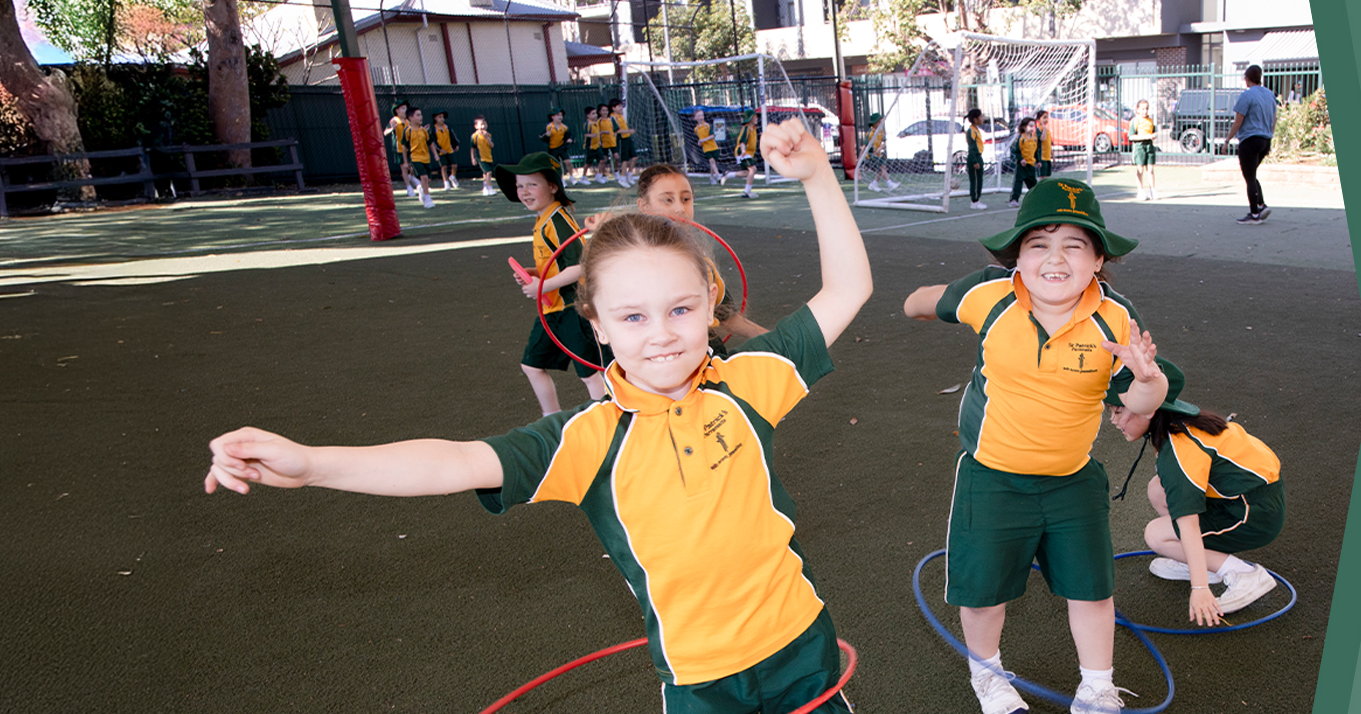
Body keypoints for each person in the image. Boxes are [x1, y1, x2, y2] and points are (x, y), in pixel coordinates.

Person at [204, 119, 872, 714]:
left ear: (709, 303)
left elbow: (848, 288)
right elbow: (455, 461)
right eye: (633, 315)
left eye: (680, 308)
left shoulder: (749, 385)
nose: (662, 332)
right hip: (701, 682)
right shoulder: (586, 440)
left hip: (803, 647)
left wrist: (817, 174)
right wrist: (316, 463)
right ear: (599, 327)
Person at [903, 177, 1165, 714]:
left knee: (1092, 590)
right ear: (1017, 256)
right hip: (992, 477)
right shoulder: (988, 295)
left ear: (1098, 260)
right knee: (982, 594)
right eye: (1039, 244)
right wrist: (929, 303)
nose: (1055, 258)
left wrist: (1146, 381)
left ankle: (1096, 687)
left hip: (1073, 478)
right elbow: (917, 304)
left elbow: (1145, 398)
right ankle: (989, 677)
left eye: (1074, 245)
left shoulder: (1116, 317)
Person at [1105, 357, 1284, 623]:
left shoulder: (1177, 448)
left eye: (1118, 411)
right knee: (1158, 489)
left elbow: (1186, 521)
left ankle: (1243, 573)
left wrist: (1199, 588)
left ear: (1148, 409)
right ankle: (1205, 562)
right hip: (1253, 498)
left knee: (1157, 535)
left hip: (1254, 514)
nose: (1112, 420)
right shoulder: (1179, 420)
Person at [494, 152, 605, 414]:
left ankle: (609, 418)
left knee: (589, 372)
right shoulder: (543, 219)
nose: (524, 191)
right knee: (531, 365)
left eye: (532, 184)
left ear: (553, 186)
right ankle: (551, 419)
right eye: (520, 185)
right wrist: (536, 273)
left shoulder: (557, 220)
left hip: (571, 309)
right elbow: (556, 263)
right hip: (552, 310)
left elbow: (580, 266)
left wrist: (542, 286)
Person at [630, 163, 770, 349]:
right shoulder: (629, 261)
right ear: (644, 206)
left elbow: (725, 316)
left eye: (686, 199)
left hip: (708, 356)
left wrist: (769, 336)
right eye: (667, 200)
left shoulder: (700, 259)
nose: (680, 209)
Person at [1228, 65, 1277, 225]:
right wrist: (1270, 136)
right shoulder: (1269, 95)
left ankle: (1254, 213)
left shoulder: (1246, 96)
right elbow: (1274, 119)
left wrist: (1228, 139)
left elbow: (1238, 122)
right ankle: (1261, 205)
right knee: (1252, 173)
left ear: (1247, 78)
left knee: (1249, 177)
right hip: (1265, 139)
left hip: (1250, 139)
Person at [403, 107, 438, 209]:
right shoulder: (408, 131)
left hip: (426, 158)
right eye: (418, 115)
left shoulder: (424, 131)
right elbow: (404, 147)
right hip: (415, 158)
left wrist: (435, 154)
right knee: (424, 177)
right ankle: (428, 199)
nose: (421, 117)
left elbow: (430, 143)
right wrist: (405, 161)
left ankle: (422, 191)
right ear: (411, 118)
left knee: (428, 180)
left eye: (421, 114)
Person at [1128, 100, 1159, 201]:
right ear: (1138, 110)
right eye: (1143, 109)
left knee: (1150, 170)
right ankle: (1140, 191)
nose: (1145, 111)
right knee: (1140, 169)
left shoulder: (1150, 121)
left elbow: (1153, 132)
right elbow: (1131, 137)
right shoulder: (1135, 121)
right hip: (1140, 146)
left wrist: (1153, 136)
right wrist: (1145, 137)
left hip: (1149, 146)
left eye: (1146, 109)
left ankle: (1152, 190)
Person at [1007, 116, 1040, 208]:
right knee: (1018, 182)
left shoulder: (1034, 138)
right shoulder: (1021, 138)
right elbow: (1016, 151)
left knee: (1033, 183)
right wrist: (1021, 159)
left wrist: (1038, 161)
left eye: (1033, 126)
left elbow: (1036, 151)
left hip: (1031, 165)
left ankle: (1037, 198)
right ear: (1024, 127)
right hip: (1022, 166)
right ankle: (1014, 199)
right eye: (1030, 126)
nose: (1032, 128)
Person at [384, 101, 415, 197]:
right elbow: (385, 132)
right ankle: (409, 187)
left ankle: (412, 177)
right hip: (399, 149)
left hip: (410, 147)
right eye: (403, 108)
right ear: (397, 110)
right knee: (404, 168)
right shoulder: (394, 121)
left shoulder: (409, 121)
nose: (405, 110)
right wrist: (392, 129)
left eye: (405, 108)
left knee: (413, 167)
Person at [862, 113, 898, 193]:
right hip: (871, 155)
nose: (880, 123)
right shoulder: (870, 133)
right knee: (882, 167)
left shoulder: (881, 131)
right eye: (878, 122)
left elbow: (884, 142)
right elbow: (865, 145)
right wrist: (860, 158)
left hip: (878, 154)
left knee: (882, 169)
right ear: (874, 123)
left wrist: (880, 148)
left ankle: (874, 184)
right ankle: (889, 184)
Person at [962, 108, 989, 210]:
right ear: (975, 119)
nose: (982, 119)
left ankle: (977, 199)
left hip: (979, 156)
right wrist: (974, 161)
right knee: (975, 180)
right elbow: (972, 147)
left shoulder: (977, 130)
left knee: (979, 179)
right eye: (981, 117)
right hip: (975, 157)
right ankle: (974, 201)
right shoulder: (971, 131)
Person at [608, 99, 638, 186]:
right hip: (621, 140)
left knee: (635, 157)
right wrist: (629, 130)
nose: (621, 108)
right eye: (619, 106)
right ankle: (623, 178)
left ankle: (629, 175)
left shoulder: (621, 116)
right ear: (613, 108)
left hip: (628, 138)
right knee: (624, 160)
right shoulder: (612, 117)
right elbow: (617, 131)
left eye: (621, 106)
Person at [733, 110, 761, 199]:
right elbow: (742, 141)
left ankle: (728, 174)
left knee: (747, 172)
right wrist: (743, 150)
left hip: (748, 153)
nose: (756, 118)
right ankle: (747, 192)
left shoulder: (754, 129)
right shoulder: (746, 128)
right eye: (754, 116)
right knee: (753, 169)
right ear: (750, 118)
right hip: (743, 152)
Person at [693, 109, 725, 184]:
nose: (701, 117)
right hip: (706, 148)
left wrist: (703, 140)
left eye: (702, 115)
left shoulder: (707, 125)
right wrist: (700, 142)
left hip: (713, 147)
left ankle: (711, 177)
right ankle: (718, 175)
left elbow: (712, 136)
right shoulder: (696, 129)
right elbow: (700, 139)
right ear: (695, 118)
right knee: (712, 161)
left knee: (712, 163)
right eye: (699, 116)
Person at [470, 115, 497, 196]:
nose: (483, 126)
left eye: (485, 124)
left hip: (488, 157)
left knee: (485, 173)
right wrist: (473, 158)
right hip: (481, 158)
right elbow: (472, 148)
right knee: (489, 172)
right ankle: (489, 187)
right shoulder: (475, 136)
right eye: (481, 124)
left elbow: (491, 145)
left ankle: (485, 188)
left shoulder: (488, 135)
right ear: (476, 126)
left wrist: (486, 137)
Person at [432, 111, 459, 190]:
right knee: (443, 167)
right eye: (439, 117)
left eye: (443, 117)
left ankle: (452, 177)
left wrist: (455, 145)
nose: (442, 119)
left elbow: (453, 136)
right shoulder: (433, 128)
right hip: (440, 151)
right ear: (435, 118)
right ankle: (446, 183)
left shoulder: (447, 126)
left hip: (449, 149)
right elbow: (432, 141)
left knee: (454, 165)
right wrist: (439, 149)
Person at [596, 103, 621, 186]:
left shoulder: (611, 119)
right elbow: (596, 132)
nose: (605, 112)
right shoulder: (598, 122)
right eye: (603, 110)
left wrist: (615, 134)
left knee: (617, 157)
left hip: (612, 142)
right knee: (604, 160)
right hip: (604, 143)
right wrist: (602, 134)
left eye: (606, 110)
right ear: (599, 112)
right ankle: (603, 175)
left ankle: (616, 171)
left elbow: (617, 129)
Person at [540, 108, 571, 175]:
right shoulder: (548, 127)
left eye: (561, 115)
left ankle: (572, 177)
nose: (560, 117)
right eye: (558, 115)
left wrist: (570, 139)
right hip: (553, 149)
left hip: (562, 147)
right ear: (552, 116)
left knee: (568, 162)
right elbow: (541, 137)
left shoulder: (564, 127)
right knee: (557, 165)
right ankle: (561, 179)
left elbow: (570, 135)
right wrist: (546, 135)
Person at [580, 106, 606, 185]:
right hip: (590, 147)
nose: (595, 115)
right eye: (593, 113)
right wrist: (592, 136)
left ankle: (599, 175)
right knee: (588, 163)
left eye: (595, 113)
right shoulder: (588, 124)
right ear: (588, 115)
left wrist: (599, 140)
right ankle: (583, 177)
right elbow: (585, 134)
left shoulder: (596, 123)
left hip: (597, 146)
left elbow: (597, 133)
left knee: (602, 160)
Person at [1033, 109, 1054, 178]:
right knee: (1042, 176)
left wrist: (1052, 155)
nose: (1046, 119)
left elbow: (1049, 144)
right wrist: (1044, 128)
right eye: (1044, 117)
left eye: (1047, 117)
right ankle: (1041, 188)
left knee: (1047, 176)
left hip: (1047, 157)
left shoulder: (1047, 130)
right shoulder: (1039, 129)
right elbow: (1042, 138)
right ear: (1039, 120)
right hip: (1042, 157)